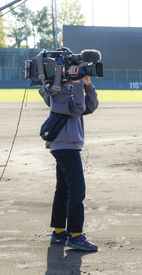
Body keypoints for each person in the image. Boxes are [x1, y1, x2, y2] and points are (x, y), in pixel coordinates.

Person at [39, 52, 99, 252]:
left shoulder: (63, 88)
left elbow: (90, 106)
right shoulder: (56, 90)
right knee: (77, 190)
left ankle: (58, 232)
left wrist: (87, 84)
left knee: (64, 189)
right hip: (65, 145)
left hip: (66, 144)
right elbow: (77, 107)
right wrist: (78, 84)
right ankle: (75, 235)